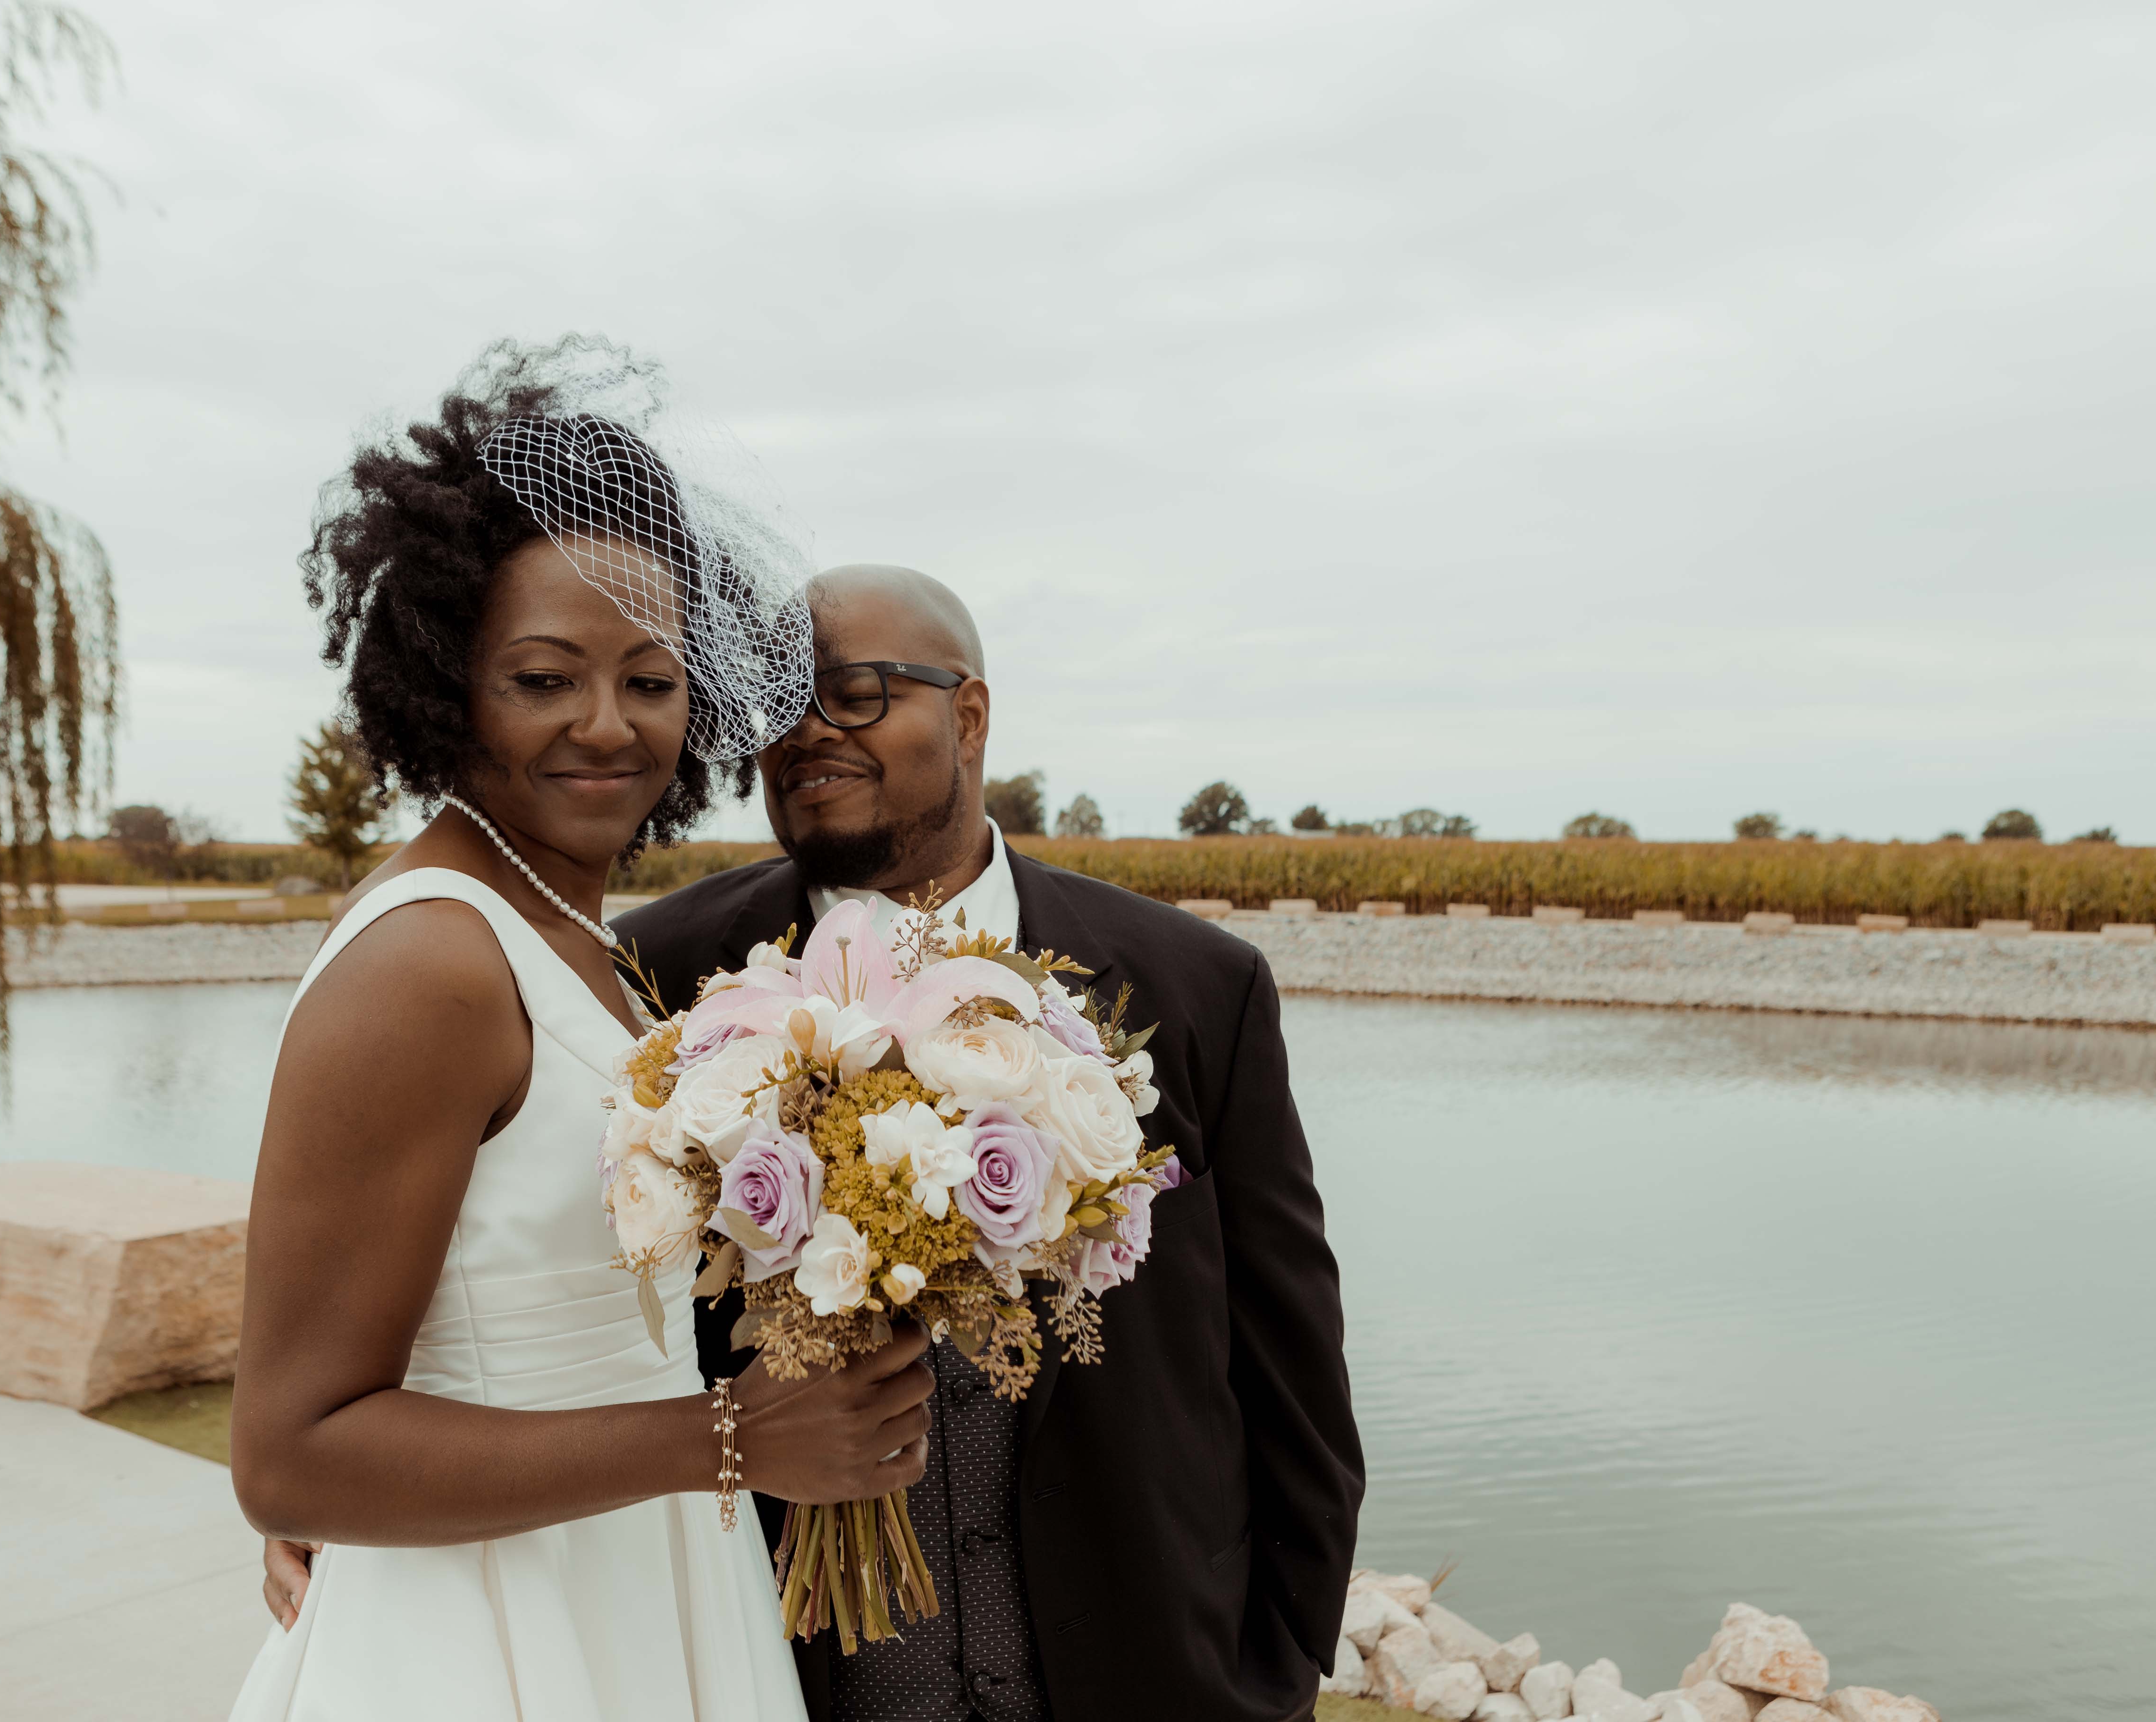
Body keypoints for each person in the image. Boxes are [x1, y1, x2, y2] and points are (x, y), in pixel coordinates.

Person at [264, 563, 1366, 1722]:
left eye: (856, 694)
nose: (806, 735)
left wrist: (1277, 1668)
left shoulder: (1197, 984)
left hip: (1147, 1671)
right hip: (780, 1669)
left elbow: (1290, 1358)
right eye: (772, 705)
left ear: (971, 714)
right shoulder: (654, 974)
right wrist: (355, 1490)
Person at [227, 341, 927, 1722]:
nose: (608, 727)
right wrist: (732, 1439)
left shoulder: (575, 935)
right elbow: (291, 1456)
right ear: (443, 682)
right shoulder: (432, 960)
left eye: (651, 681)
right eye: (544, 678)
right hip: (489, 1638)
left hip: (653, 1584)